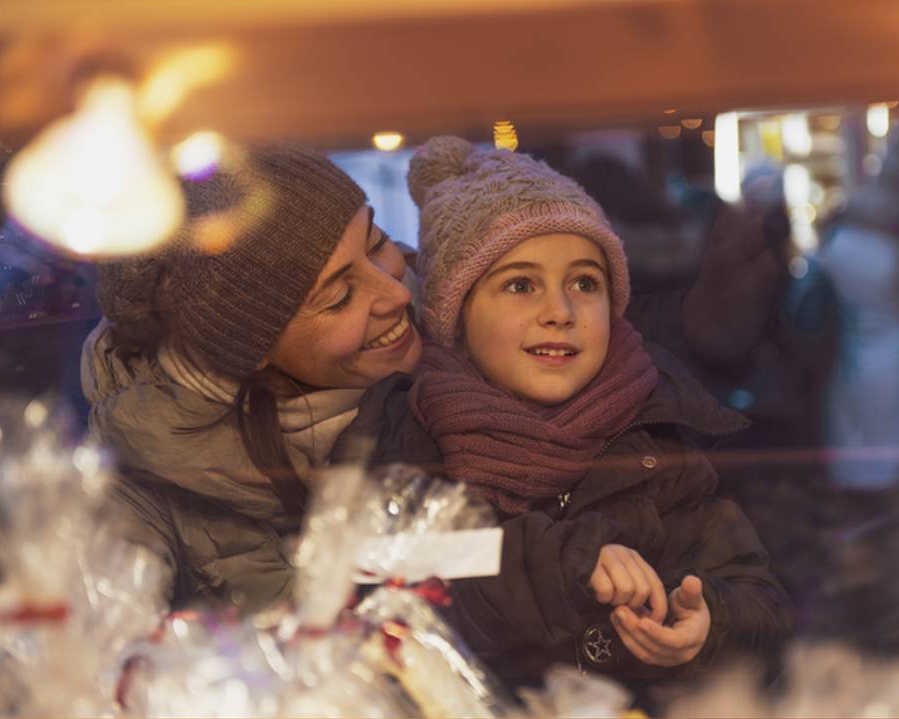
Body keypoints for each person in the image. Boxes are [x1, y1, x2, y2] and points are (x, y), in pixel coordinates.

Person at [332, 137, 794, 695]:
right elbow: (387, 592)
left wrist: (708, 626)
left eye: (584, 283)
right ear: (457, 312)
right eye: (521, 285)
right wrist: (561, 564)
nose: (560, 312)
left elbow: (759, 599)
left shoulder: (658, 433)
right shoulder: (405, 434)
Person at [83, 142, 422, 609]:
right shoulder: (142, 497)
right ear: (253, 349)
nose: (396, 294)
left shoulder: (476, 324)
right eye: (340, 296)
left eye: (377, 243)